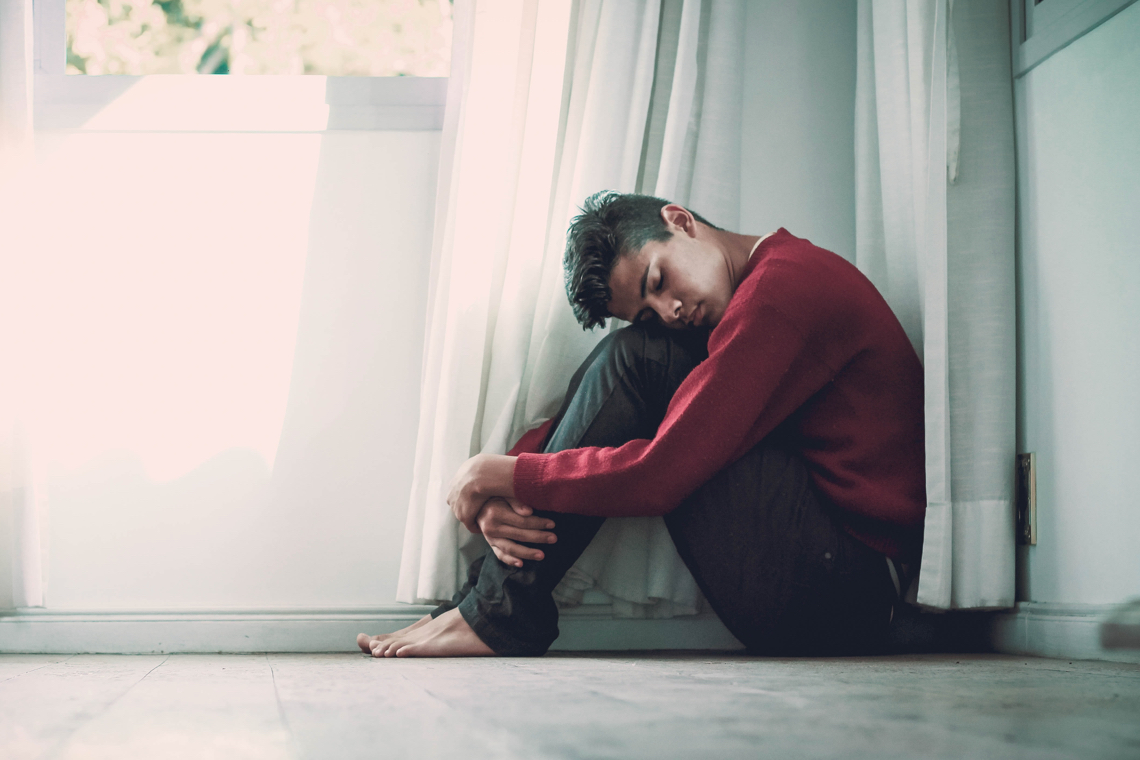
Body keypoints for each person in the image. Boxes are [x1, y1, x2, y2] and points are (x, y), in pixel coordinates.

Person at [357, 191, 926, 658]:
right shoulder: (755, 294)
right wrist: (501, 482)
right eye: (651, 308)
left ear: (680, 221)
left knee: (639, 358)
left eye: (659, 280)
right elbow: (605, 412)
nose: (672, 311)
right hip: (824, 573)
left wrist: (503, 476)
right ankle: (489, 605)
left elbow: (662, 474)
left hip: (846, 593)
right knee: (636, 352)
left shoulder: (783, 293)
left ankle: (497, 614)